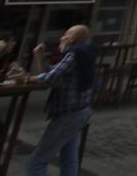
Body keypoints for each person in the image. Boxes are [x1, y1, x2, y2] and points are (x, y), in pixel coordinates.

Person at [24, 25, 95, 176]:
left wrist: (25, 79)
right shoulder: (83, 53)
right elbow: (51, 71)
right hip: (80, 112)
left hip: (69, 114)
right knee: (69, 158)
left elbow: (50, 77)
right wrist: (39, 56)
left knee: (36, 161)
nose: (62, 37)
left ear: (72, 39)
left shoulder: (75, 54)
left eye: (66, 34)